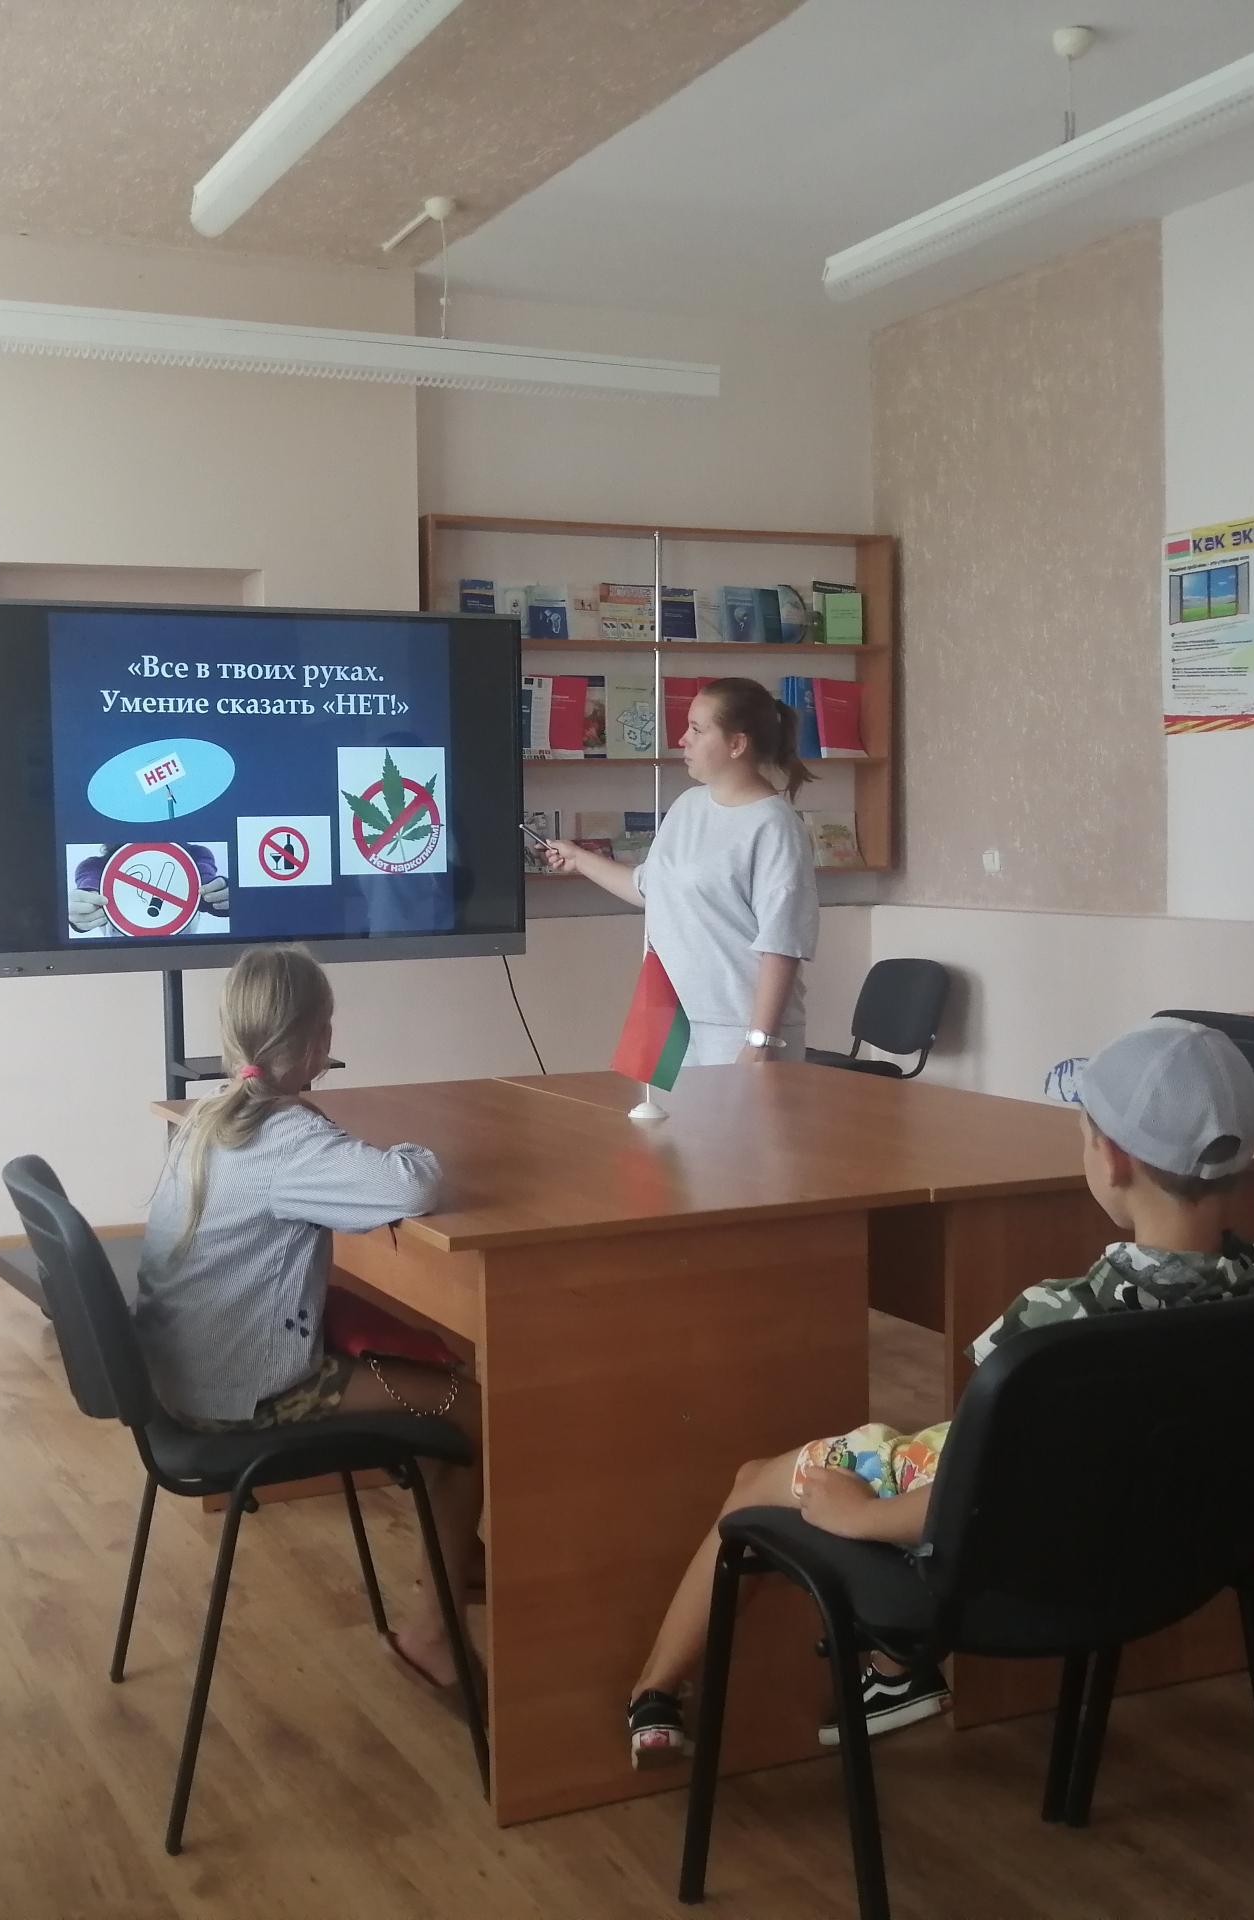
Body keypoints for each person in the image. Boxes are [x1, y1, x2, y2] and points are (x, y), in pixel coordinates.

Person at [624, 1018, 1254, 1766]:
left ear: (1110, 1157)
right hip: (1177, 1560)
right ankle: (890, 1671)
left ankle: (656, 1690)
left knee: (754, 1485)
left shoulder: (1054, 1326)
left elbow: (983, 1496)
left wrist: (864, 1516)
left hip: (1028, 1569)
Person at [132, 944, 483, 1693]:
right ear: (320, 1043)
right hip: (238, 1394)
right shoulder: (288, 1140)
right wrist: (414, 1143)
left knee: (438, 1364)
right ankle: (431, 1631)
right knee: (470, 1405)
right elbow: (411, 1185)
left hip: (177, 1377)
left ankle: (456, 1558)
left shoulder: (207, 1118)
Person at [545, 677, 818, 1065]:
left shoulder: (774, 825)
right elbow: (649, 888)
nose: (682, 740)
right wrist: (578, 858)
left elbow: (783, 941)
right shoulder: (688, 805)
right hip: (669, 1020)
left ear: (737, 744)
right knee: (656, 1109)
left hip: (739, 1029)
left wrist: (760, 1040)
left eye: (697, 729)